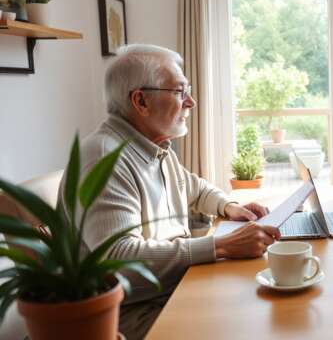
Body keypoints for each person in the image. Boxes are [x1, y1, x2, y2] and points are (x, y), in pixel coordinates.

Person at [58, 44, 280, 339]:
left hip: (168, 291)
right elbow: (118, 259)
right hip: (127, 314)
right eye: (179, 92)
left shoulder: (154, 148)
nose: (191, 102)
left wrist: (228, 206)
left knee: (259, 306)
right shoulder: (105, 158)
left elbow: (194, 188)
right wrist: (221, 246)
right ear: (141, 101)